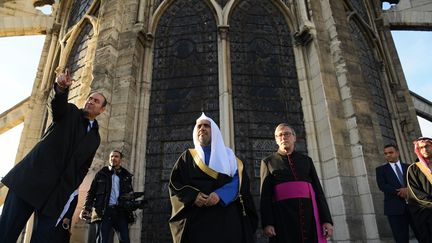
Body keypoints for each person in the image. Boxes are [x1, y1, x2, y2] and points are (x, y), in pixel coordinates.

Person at [0, 68, 107, 243]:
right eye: (89, 98)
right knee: (6, 235)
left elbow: (82, 169)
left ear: (102, 110)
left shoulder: (95, 138)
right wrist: (60, 88)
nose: (90, 102)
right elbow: (56, 106)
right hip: (30, 182)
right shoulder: (70, 112)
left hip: (55, 197)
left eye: (96, 101)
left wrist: (67, 191)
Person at [168, 113, 257, 243]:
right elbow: (175, 184)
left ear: (214, 131)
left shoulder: (230, 156)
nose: (202, 129)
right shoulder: (187, 157)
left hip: (226, 219)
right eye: (199, 126)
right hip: (197, 220)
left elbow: (240, 180)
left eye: (206, 126)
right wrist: (193, 196)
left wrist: (220, 194)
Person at [260, 123, 333, 243]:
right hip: (282, 219)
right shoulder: (268, 162)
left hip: (309, 217)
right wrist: (268, 223)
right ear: (276, 140)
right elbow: (265, 197)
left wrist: (326, 220)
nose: (283, 137)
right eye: (280, 135)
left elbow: (318, 192)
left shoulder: (306, 161)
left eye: (287, 134)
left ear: (294, 137)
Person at [80, 150, 135, 243]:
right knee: (102, 240)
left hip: (121, 211)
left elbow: (130, 194)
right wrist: (86, 208)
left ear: (120, 160)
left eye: (116, 156)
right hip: (104, 211)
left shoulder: (126, 175)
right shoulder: (101, 173)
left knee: (125, 239)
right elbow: (92, 192)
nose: (113, 158)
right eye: (111, 157)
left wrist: (132, 206)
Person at [375, 144, 418, 243]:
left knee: (423, 234)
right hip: (394, 209)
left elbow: (416, 183)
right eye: (386, 153)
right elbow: (382, 186)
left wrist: (408, 190)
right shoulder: (381, 170)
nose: (388, 155)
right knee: (401, 239)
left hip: (414, 207)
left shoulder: (409, 167)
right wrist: (400, 191)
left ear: (397, 153)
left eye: (391, 152)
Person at [407, 137, 432, 243]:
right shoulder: (413, 169)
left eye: (427, 146)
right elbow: (415, 194)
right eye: (421, 147)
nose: (424, 150)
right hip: (427, 213)